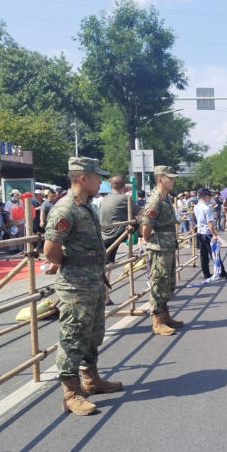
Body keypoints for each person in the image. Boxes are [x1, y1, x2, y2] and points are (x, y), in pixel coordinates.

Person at [42, 156, 121, 416]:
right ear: (83, 178)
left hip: (93, 281)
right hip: (76, 285)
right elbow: (50, 251)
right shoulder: (65, 208)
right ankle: (71, 393)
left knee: (93, 334)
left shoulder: (86, 206)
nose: (101, 181)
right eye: (98, 177)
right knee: (74, 337)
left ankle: (91, 379)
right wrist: (71, 264)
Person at [142, 166, 183, 336]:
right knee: (159, 282)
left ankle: (165, 316)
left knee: (168, 282)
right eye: (169, 178)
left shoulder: (165, 198)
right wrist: (147, 240)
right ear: (160, 179)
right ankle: (157, 321)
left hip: (167, 245)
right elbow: (146, 226)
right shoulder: (155, 200)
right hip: (159, 247)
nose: (172, 181)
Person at [100, 175, 142, 305]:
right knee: (108, 266)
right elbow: (140, 213)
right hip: (117, 232)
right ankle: (145, 240)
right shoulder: (124, 198)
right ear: (124, 187)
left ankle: (105, 297)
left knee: (107, 264)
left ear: (111, 186)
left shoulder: (104, 199)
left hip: (104, 234)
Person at [194, 189, 227, 279]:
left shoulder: (196, 206)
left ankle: (206, 273)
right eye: (210, 197)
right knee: (215, 253)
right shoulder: (207, 208)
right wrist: (214, 234)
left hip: (200, 232)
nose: (210, 198)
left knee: (203, 254)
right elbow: (209, 223)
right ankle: (222, 272)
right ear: (206, 196)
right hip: (207, 233)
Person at [4, 190, 25, 254]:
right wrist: (9, 222)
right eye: (13, 195)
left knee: (20, 235)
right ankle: (12, 249)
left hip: (20, 222)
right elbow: (7, 213)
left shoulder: (21, 202)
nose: (15, 196)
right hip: (12, 222)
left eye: (16, 195)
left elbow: (23, 211)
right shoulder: (8, 203)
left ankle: (19, 249)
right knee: (13, 235)